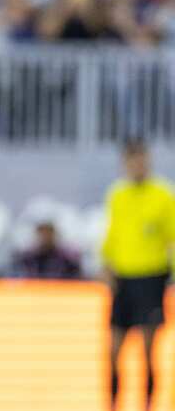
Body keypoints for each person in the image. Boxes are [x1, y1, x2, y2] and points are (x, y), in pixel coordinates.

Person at [102, 139, 175, 411]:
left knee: (147, 351)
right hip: (123, 280)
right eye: (132, 160)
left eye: (141, 159)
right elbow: (111, 237)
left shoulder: (163, 195)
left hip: (151, 278)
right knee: (113, 350)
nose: (137, 165)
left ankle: (147, 405)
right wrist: (106, 265)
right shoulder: (117, 196)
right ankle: (112, 404)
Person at [11, 220, 81, 279]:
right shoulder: (27, 258)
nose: (45, 237)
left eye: (48, 232)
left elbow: (76, 280)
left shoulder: (67, 260)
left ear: (54, 234)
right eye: (42, 232)